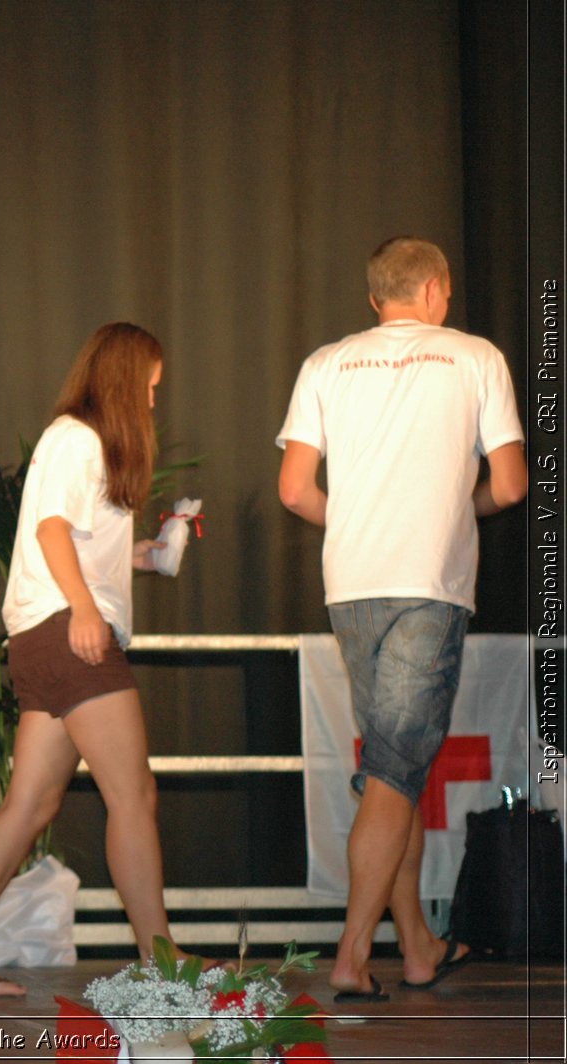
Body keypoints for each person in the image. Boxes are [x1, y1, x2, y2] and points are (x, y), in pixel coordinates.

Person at [277, 236, 525, 1003]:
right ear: (436, 290)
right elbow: (511, 486)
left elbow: (293, 490)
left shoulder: (326, 362)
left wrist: (356, 522)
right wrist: (458, 513)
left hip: (350, 585)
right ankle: (352, 955)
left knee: (397, 769)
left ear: (376, 296)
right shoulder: (476, 356)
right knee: (392, 773)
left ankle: (415, 944)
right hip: (427, 584)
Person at [0, 322, 176, 997]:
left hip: (47, 634)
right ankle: (162, 963)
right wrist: (87, 611)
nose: (153, 402)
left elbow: (71, 535)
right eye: (150, 388)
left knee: (30, 804)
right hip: (67, 633)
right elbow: (50, 529)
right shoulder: (77, 437)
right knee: (134, 795)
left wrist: (141, 555)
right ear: (125, 381)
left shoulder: (82, 443)